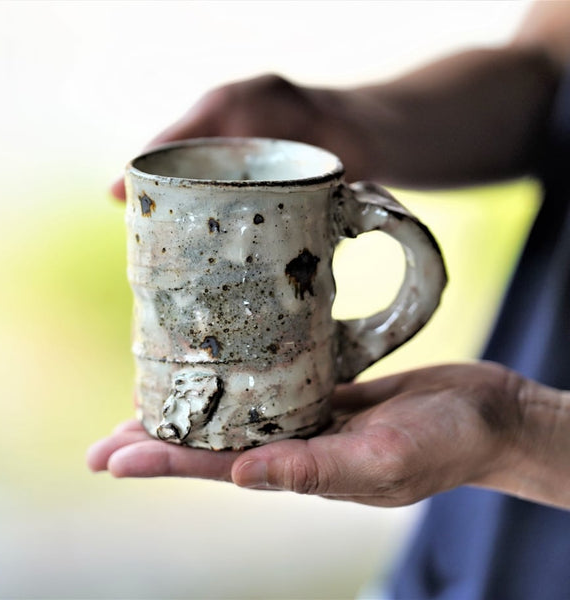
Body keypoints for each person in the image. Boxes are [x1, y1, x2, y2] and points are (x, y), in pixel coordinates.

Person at [88, 1, 570, 597]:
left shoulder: (516, 429)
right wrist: (340, 120)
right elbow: (550, 66)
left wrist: (531, 432)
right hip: (477, 546)